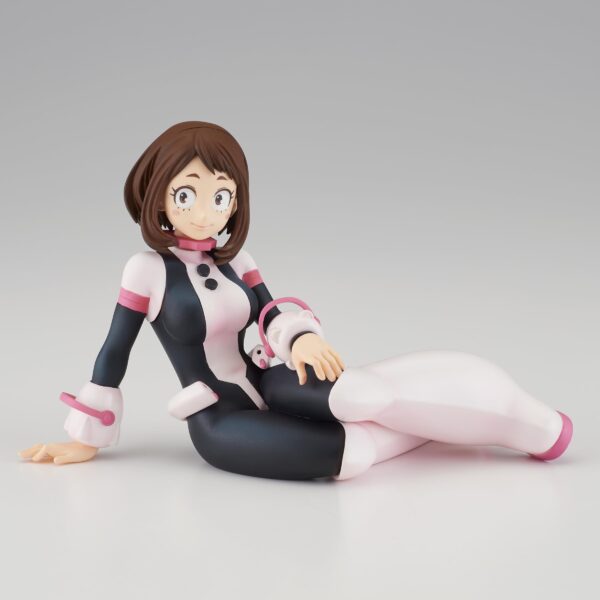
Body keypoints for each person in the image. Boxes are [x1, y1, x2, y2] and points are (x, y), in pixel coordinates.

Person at [19, 122, 573, 480]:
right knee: (352, 455)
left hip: (270, 377)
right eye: (188, 194)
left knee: (361, 392)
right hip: (219, 416)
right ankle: (452, 424)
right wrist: (87, 438)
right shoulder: (147, 271)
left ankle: (522, 422)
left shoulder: (237, 259)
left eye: (222, 195)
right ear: (158, 193)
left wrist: (300, 337)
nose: (207, 212)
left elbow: (269, 311)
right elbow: (114, 351)